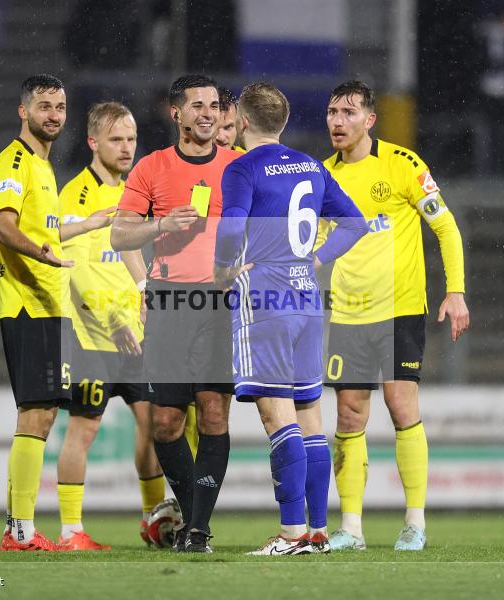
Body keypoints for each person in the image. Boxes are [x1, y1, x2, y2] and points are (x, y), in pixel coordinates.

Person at [214, 82, 367, 556]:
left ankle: (292, 532)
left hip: (265, 299)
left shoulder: (242, 167)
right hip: (306, 298)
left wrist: (223, 270)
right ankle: (319, 531)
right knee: (310, 420)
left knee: (277, 417)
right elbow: (356, 223)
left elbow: (233, 225)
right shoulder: (312, 166)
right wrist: (317, 259)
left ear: (241, 121)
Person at [319, 80, 470, 552]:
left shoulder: (403, 165)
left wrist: (456, 292)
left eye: (348, 112)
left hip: (400, 308)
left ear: (370, 119)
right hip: (346, 313)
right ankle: (351, 527)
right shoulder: (321, 176)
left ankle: (415, 521)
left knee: (401, 405)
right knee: (348, 413)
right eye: (331, 112)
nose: (337, 121)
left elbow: (445, 227)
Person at [111, 74, 242, 553]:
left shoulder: (238, 167)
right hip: (167, 301)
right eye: (197, 106)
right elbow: (119, 236)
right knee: (166, 423)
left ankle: (198, 530)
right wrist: (163, 223)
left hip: (217, 301)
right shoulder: (151, 168)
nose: (207, 113)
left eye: (213, 106)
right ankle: (192, 515)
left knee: (212, 412)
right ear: (176, 113)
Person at [56, 101, 166, 550]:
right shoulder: (75, 196)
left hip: (138, 338)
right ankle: (70, 530)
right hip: (92, 336)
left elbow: (144, 260)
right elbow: (76, 270)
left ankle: (153, 517)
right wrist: (113, 319)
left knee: (154, 424)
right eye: (116, 139)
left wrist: (147, 301)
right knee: (84, 429)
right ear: (93, 142)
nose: (126, 148)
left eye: (131, 139)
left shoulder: (137, 193)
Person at [0, 74, 74, 551]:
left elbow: (50, 231)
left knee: (40, 416)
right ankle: (19, 529)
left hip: (50, 305)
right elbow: (4, 227)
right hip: (28, 305)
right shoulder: (13, 161)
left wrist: (87, 226)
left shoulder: (44, 165)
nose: (53, 115)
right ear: (23, 111)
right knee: (35, 414)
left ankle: (17, 525)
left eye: (60, 106)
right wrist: (41, 255)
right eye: (44, 106)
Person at [215, 86, 245, 153]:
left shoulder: (249, 159)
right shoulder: (188, 160)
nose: (221, 137)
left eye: (228, 127)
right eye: (214, 128)